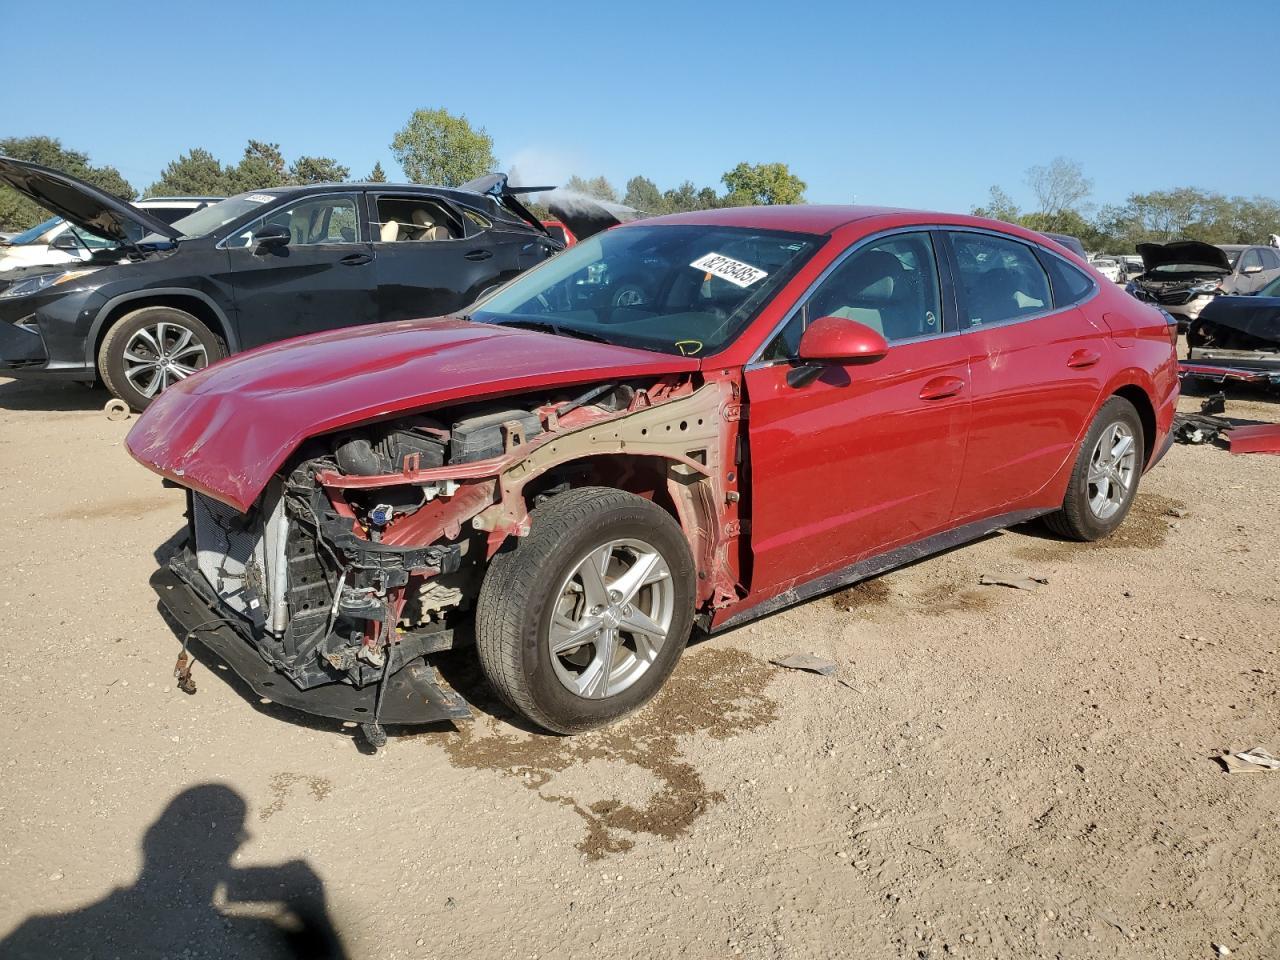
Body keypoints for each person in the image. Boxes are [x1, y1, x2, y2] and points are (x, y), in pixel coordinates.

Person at [0, 784, 346, 959]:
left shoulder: (32, 937)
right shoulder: (266, 933)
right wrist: (316, 925)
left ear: (151, 840)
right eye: (234, 835)